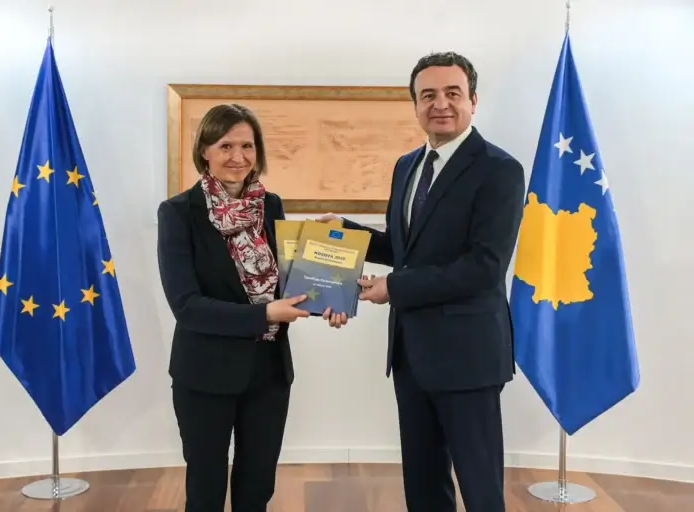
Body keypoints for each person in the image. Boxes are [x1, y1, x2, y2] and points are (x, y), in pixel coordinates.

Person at [319, 52, 525, 511]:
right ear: (415, 105)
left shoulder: (500, 169)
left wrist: (394, 289)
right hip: (411, 353)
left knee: (480, 490)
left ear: (473, 100)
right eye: (428, 95)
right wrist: (344, 232)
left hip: (468, 356)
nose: (440, 104)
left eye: (453, 93)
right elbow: (405, 248)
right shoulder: (407, 165)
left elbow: (484, 268)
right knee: (424, 485)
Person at [157, 103, 310, 512]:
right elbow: (187, 306)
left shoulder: (270, 205)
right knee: (205, 491)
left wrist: (332, 296)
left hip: (269, 372)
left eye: (247, 146)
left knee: (257, 489)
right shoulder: (178, 213)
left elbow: (288, 281)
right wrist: (264, 315)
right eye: (226, 146)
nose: (238, 157)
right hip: (205, 373)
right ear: (204, 151)